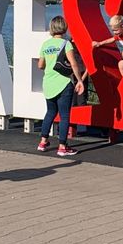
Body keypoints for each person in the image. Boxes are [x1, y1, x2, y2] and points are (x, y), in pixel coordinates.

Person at [36, 16, 85, 156]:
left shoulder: (45, 44)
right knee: (64, 116)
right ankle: (63, 146)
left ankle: (43, 142)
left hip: (48, 83)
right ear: (64, 27)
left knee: (50, 112)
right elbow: (74, 63)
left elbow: (40, 65)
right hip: (63, 83)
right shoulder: (66, 44)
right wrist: (80, 80)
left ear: (52, 28)